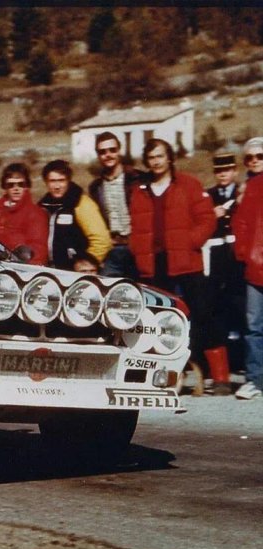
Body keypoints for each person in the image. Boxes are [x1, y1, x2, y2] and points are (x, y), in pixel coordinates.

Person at [128, 138, 230, 395]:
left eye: (160, 156)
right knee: (157, 320)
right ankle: (162, 376)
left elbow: (207, 219)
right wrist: (137, 251)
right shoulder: (139, 190)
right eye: (151, 157)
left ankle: (220, 377)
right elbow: (137, 228)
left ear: (170, 158)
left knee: (203, 314)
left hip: (186, 260)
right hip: (154, 264)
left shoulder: (189, 184)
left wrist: (191, 241)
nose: (156, 161)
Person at [205, 153, 246, 373]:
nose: (223, 174)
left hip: (236, 256)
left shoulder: (242, 193)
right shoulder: (208, 195)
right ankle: (224, 363)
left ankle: (241, 360)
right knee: (218, 308)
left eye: (227, 170)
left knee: (239, 307)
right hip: (216, 256)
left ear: (235, 171)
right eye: (219, 171)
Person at [87, 131, 142, 278]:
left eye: (112, 150)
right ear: (98, 155)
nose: (108, 155)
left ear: (119, 150)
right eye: (103, 152)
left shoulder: (137, 179)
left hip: (137, 246)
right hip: (112, 249)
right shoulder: (96, 187)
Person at [39, 159, 112, 271]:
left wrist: (88, 261)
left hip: (77, 272)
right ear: (46, 182)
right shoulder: (43, 206)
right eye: (52, 181)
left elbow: (101, 239)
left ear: (68, 180)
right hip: (51, 271)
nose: (57, 186)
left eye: (61, 180)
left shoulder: (81, 203)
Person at [232, 169, 263, 399]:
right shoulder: (254, 186)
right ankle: (254, 379)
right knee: (254, 327)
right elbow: (240, 221)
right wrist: (245, 253)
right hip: (256, 265)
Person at [0, 162, 48, 265]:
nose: (16, 188)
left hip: (21, 267)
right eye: (11, 185)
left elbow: (38, 251)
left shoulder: (35, 213)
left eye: (21, 184)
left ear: (27, 186)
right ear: (5, 187)